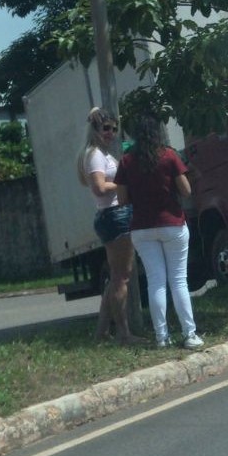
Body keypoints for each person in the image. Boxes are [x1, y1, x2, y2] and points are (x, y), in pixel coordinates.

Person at [115, 113, 203, 350]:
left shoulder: (126, 161)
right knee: (178, 281)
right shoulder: (169, 156)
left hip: (142, 228)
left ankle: (161, 337)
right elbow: (185, 191)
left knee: (156, 282)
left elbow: (121, 199)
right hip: (172, 223)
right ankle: (190, 334)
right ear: (157, 134)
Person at [77, 107, 145, 345]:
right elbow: (99, 187)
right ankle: (124, 334)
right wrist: (125, 183)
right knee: (121, 278)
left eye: (114, 129)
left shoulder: (100, 153)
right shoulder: (95, 154)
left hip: (112, 215)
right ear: (95, 129)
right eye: (106, 128)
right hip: (115, 215)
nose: (111, 133)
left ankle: (102, 331)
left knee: (116, 277)